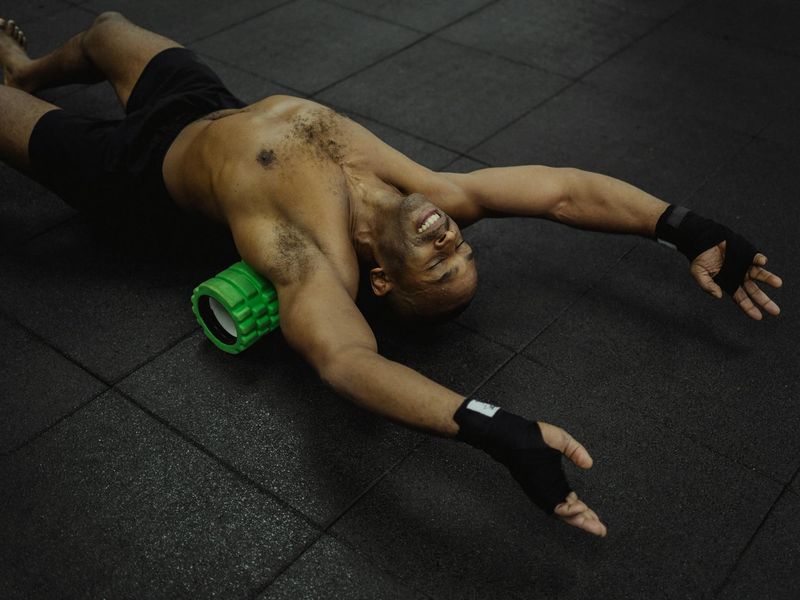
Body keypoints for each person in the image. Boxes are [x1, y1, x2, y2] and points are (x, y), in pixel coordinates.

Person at [0, 13, 783, 538]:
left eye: (438, 259)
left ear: (382, 282)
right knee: (104, 30)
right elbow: (562, 188)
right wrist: (683, 227)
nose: (451, 238)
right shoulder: (436, 196)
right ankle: (28, 68)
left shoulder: (313, 259)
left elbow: (347, 362)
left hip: (138, 175)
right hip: (202, 102)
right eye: (463, 251)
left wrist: (494, 428)